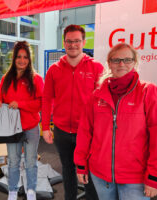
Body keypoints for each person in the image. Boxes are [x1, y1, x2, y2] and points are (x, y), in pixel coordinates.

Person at [74, 43, 157, 200]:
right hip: (101, 175)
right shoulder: (96, 96)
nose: (121, 64)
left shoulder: (149, 92)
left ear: (135, 63)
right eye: (116, 60)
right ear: (109, 63)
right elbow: (85, 132)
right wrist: (81, 164)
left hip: (135, 179)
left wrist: (155, 176)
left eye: (127, 59)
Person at [42, 24, 103, 200]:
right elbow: (47, 99)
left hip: (87, 132)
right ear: (64, 42)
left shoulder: (96, 68)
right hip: (61, 131)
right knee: (67, 169)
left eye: (77, 41)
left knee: (89, 173)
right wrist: (45, 127)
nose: (73, 45)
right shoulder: (54, 69)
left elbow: (102, 103)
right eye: (69, 41)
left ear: (83, 42)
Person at [0, 41, 44, 200]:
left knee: (30, 162)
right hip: (11, 128)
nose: (22, 60)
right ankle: (12, 191)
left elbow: (40, 104)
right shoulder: (6, 79)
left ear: (30, 59)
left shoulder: (36, 79)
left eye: (25, 57)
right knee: (13, 162)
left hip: (30, 127)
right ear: (14, 58)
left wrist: (20, 104)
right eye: (19, 57)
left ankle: (31, 191)